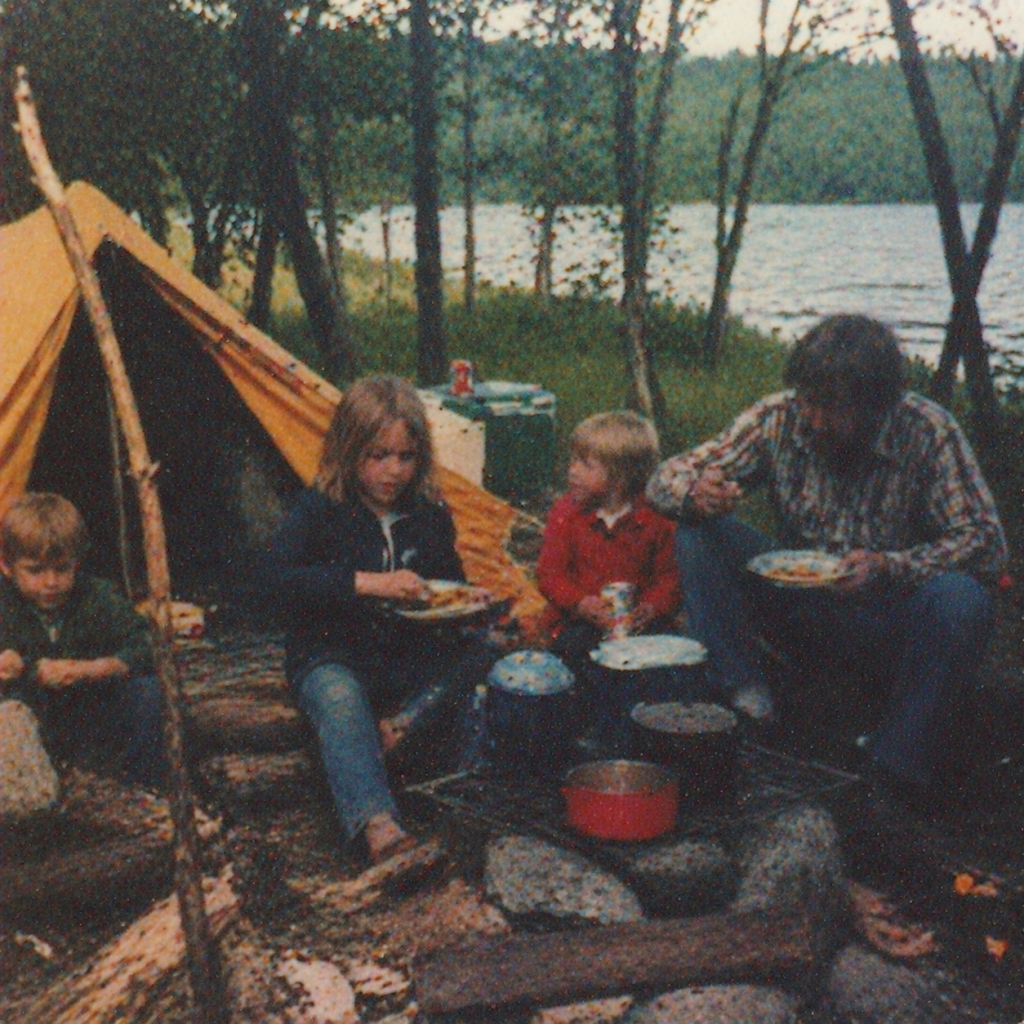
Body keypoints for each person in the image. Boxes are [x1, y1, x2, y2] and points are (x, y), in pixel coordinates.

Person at [646, 313, 1008, 810]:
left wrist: (888, 566)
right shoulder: (779, 418)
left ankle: (893, 764)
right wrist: (695, 491)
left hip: (888, 615)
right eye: (808, 401)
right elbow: (669, 474)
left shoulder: (926, 432)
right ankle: (745, 697)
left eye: (833, 408)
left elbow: (985, 540)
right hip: (798, 604)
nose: (814, 420)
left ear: (877, 405)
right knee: (698, 533)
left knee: (962, 599)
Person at [265, 376, 495, 863]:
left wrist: (468, 598)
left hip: (410, 656)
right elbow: (273, 581)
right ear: (349, 452)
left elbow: (443, 582)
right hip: (335, 653)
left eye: (405, 457)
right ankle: (379, 823)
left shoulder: (428, 512)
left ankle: (410, 740)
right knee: (339, 697)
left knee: (486, 657)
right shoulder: (319, 510)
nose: (393, 471)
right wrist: (364, 582)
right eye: (378, 456)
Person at [537, 411, 683, 753]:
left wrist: (652, 608)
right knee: (574, 655)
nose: (572, 471)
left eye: (586, 465)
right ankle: (582, 732)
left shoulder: (654, 519)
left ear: (619, 478)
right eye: (573, 460)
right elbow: (549, 574)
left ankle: (648, 731)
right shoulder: (567, 513)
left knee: (666, 661)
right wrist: (580, 603)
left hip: (636, 625)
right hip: (582, 621)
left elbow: (670, 577)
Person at [0, 492, 165, 790]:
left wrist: (96, 668)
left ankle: (142, 788)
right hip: (29, 720)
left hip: (87, 713)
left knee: (149, 693)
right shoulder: (4, 603)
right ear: (7, 567)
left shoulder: (97, 597)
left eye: (62, 568)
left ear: (76, 563)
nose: (51, 582)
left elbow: (148, 646)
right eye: (35, 571)